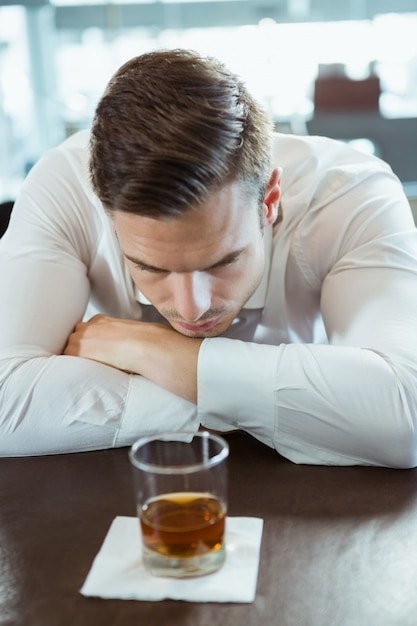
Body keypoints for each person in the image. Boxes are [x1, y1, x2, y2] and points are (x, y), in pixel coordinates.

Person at [1, 49, 417, 466]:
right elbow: (6, 402)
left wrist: (154, 352)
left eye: (222, 262)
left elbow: (406, 415)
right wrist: (289, 409)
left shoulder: (352, 194)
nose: (191, 307)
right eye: (149, 266)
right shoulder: (66, 186)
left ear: (269, 201)